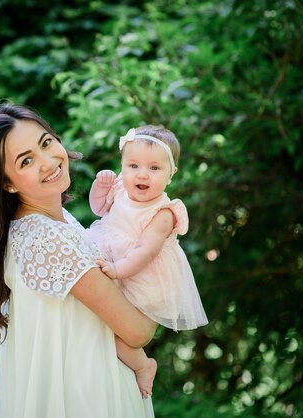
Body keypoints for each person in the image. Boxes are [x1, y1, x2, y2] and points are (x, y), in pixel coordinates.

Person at [0, 103, 155, 418]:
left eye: (46, 143)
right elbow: (137, 331)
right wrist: (162, 265)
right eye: (27, 160)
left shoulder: (41, 225)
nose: (48, 162)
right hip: (85, 396)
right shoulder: (47, 238)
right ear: (7, 183)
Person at [86, 125, 208, 399]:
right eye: (133, 165)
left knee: (114, 328)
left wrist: (117, 271)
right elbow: (99, 209)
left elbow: (145, 251)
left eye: (154, 168)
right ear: (122, 166)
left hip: (140, 276)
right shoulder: (120, 190)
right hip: (114, 261)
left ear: (170, 174)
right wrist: (100, 187)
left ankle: (143, 365)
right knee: (96, 319)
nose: (142, 174)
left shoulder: (164, 212)